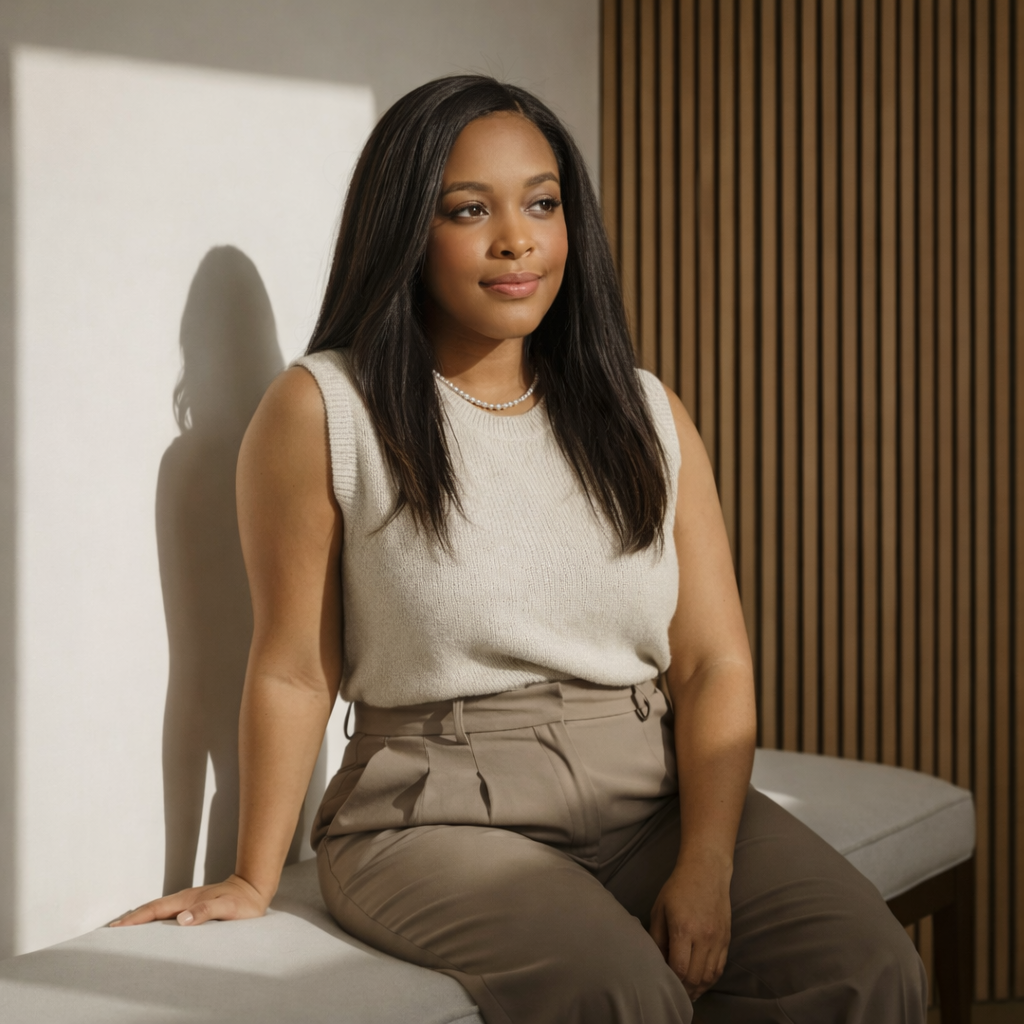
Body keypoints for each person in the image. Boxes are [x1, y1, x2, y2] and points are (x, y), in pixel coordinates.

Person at [114, 75, 928, 1024]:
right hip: (431, 815)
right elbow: (295, 670)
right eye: (470, 210)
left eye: (542, 203)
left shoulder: (644, 411)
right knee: (622, 998)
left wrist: (707, 859)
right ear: (405, 232)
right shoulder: (325, 410)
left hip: (649, 789)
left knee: (872, 969)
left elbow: (713, 662)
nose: (518, 240)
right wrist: (252, 876)